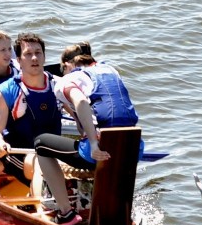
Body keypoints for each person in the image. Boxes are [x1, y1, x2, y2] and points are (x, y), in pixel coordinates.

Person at [0, 33, 86, 225]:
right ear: (18, 60)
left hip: (49, 153)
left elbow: (79, 117)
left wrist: (88, 134)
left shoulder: (58, 85)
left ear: (44, 56)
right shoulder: (5, 91)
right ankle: (44, 214)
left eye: (38, 53)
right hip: (18, 154)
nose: (34, 58)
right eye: (28, 54)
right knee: (40, 161)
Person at [33, 42, 139, 184]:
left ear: (66, 66)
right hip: (133, 146)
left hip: (100, 149)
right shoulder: (110, 70)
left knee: (41, 142)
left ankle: (64, 206)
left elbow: (81, 101)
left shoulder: (67, 79)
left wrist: (93, 143)